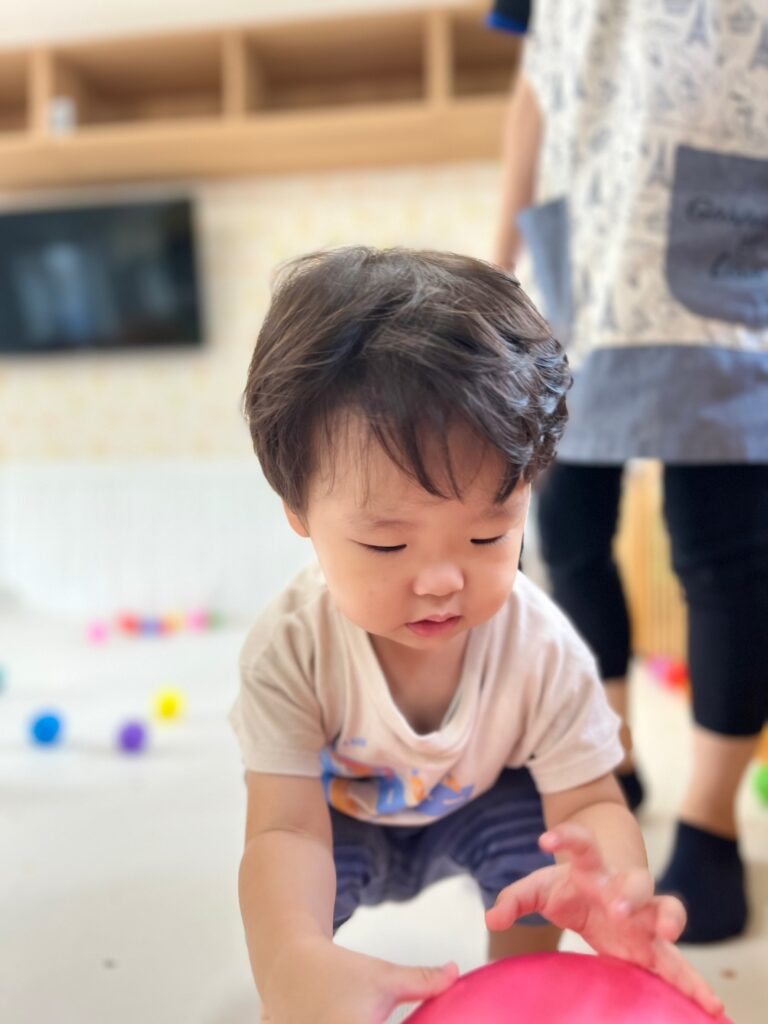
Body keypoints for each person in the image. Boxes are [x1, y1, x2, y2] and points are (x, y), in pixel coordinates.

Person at [230, 246, 722, 1023]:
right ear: (298, 510)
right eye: (388, 545)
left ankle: (517, 989)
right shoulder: (290, 649)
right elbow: (284, 828)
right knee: (293, 895)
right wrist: (292, 960)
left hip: (482, 803)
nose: (441, 580)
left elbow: (590, 803)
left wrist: (613, 887)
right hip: (339, 820)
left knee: (547, 850)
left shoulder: (542, 648)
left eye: (489, 537)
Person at [490, 0, 768, 944]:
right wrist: (496, 260)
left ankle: (711, 824)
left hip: (725, 231)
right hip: (587, 244)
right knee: (566, 533)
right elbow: (534, 86)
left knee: (723, 555)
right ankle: (611, 760)